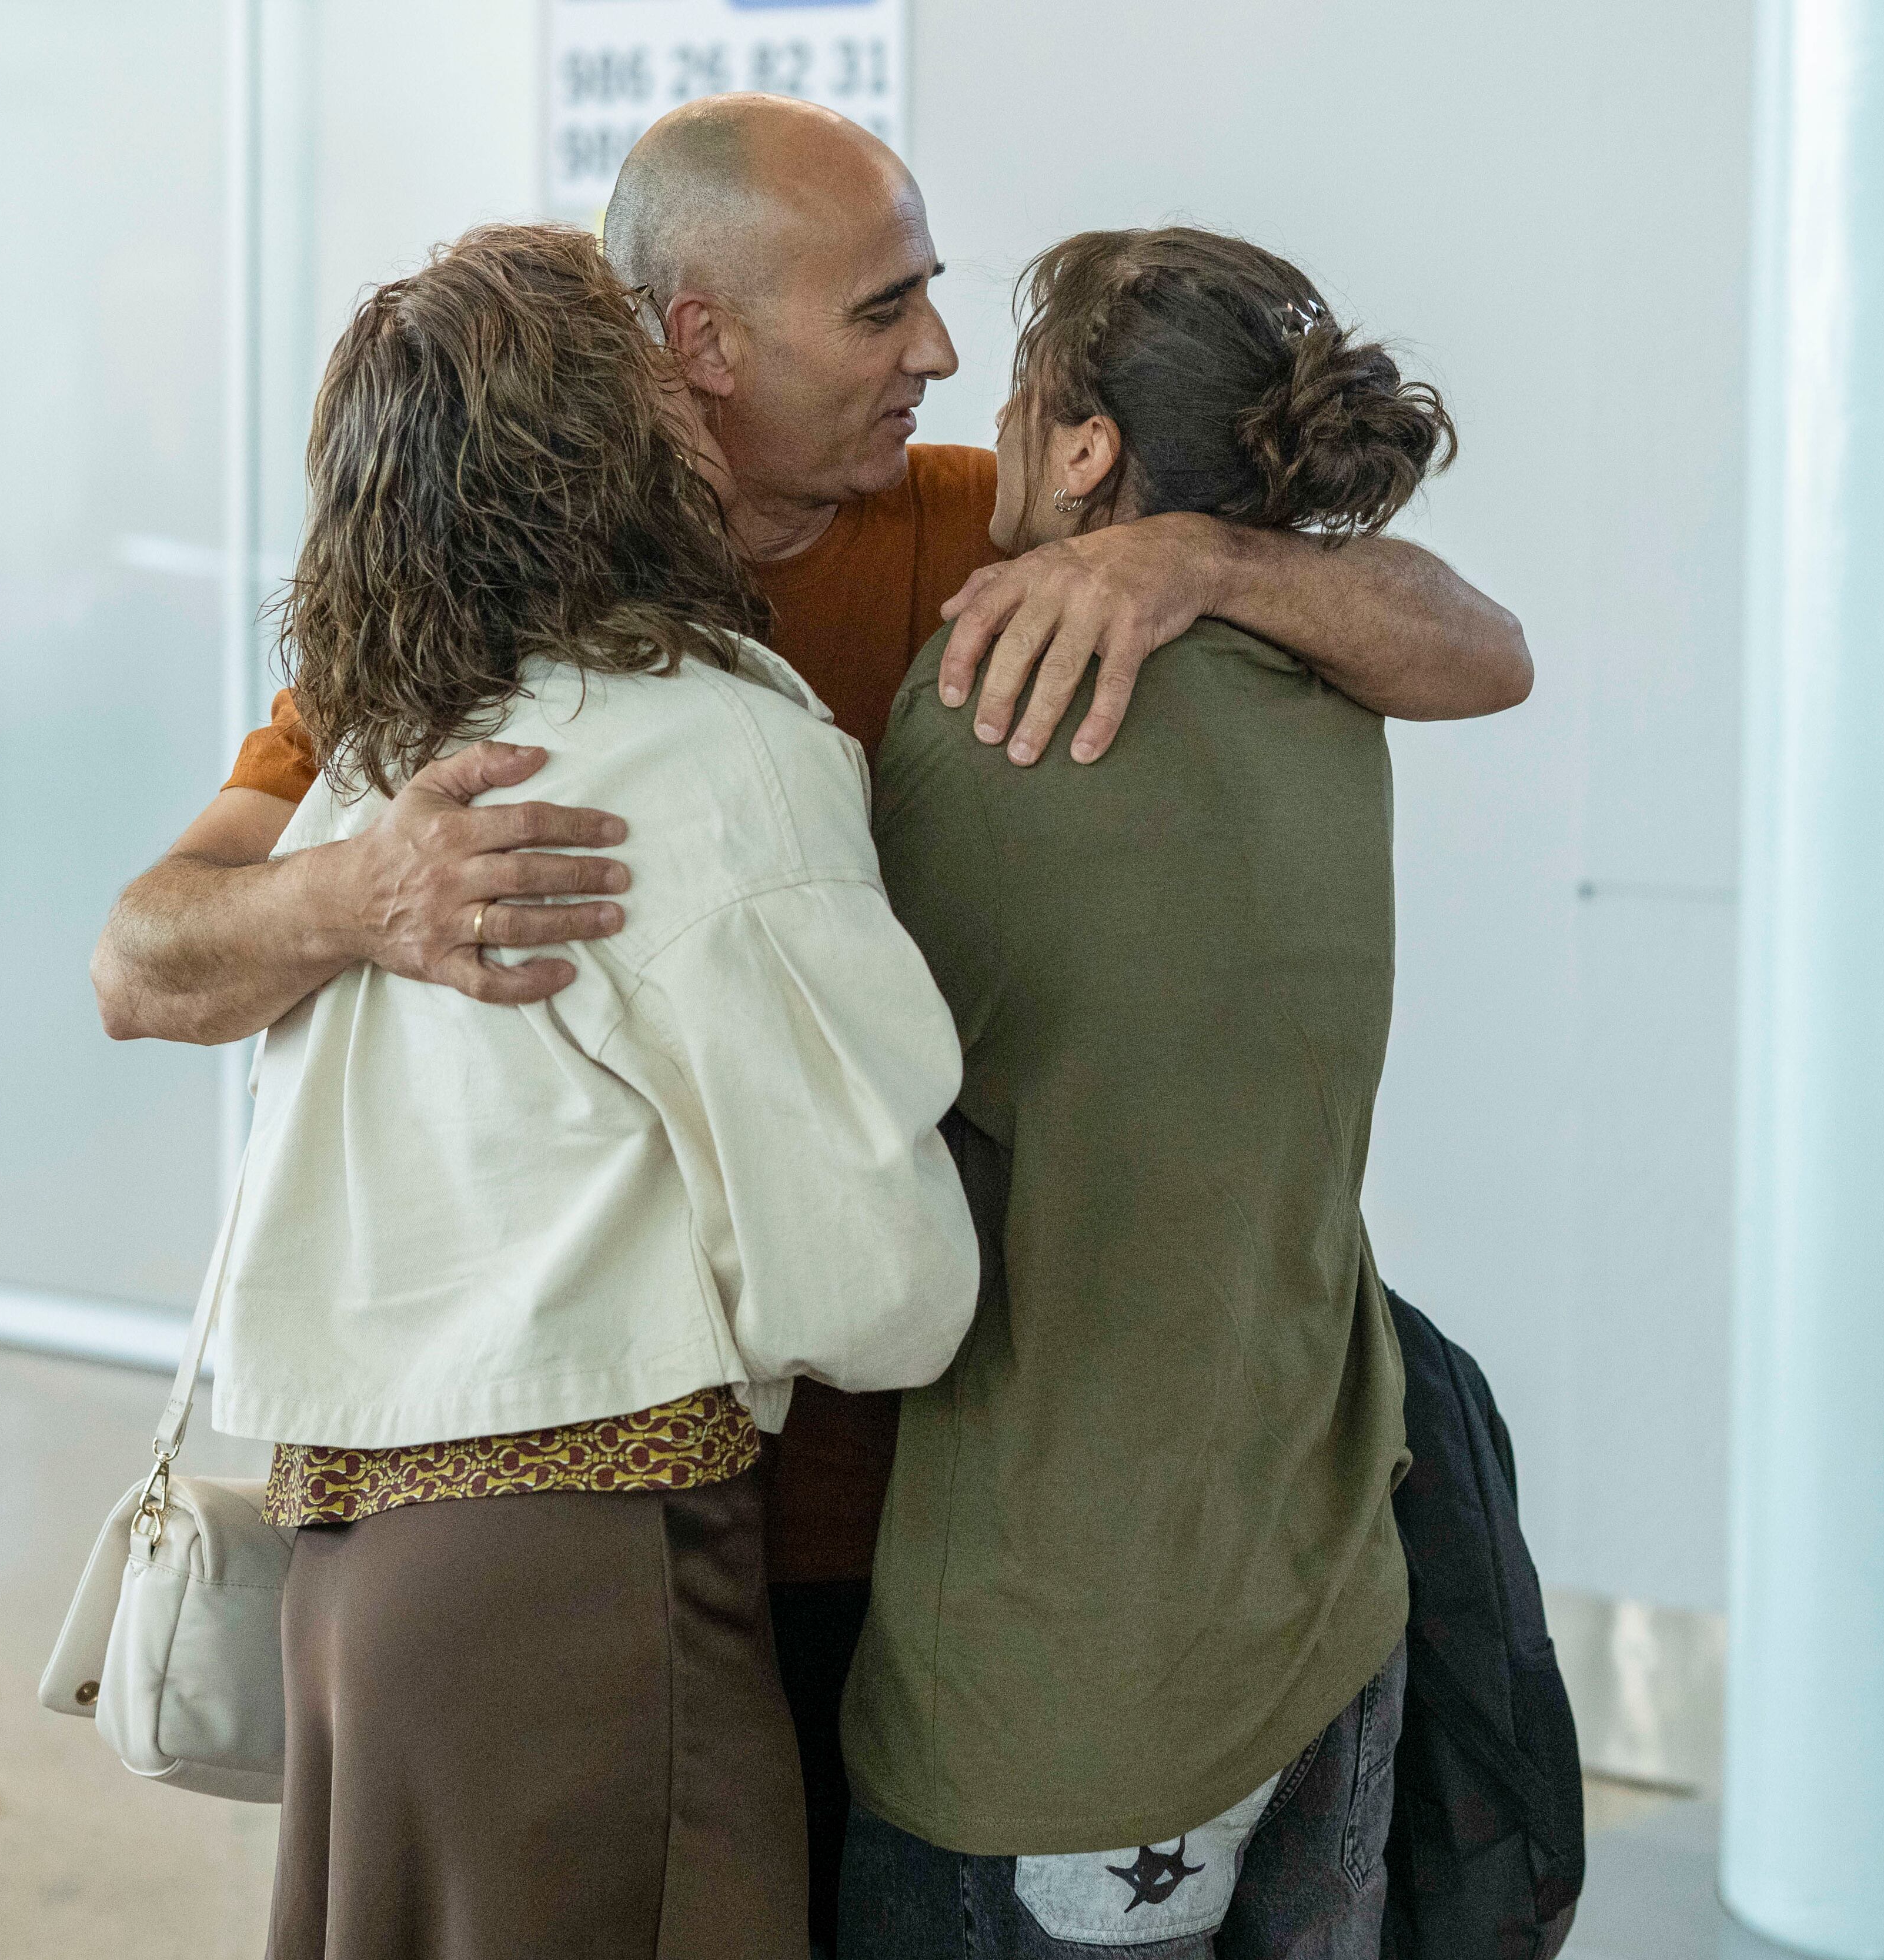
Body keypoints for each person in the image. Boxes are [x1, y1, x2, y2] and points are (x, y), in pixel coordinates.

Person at [91, 95, 1532, 1946]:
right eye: (882, 310)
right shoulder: (463, 668)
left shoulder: (977, 534)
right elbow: (145, 963)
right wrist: (361, 895)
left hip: (913, 1530)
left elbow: (1478, 648)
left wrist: (1196, 557)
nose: (932, 353)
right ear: (701, 346)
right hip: (667, 1536)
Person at [202, 222, 977, 1959]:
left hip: (348, 1579)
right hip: (580, 1578)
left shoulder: (382, 766)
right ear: (621, 447)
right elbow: (872, 1282)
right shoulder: (713, 746)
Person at [840, 228, 1439, 1958]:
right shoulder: (1336, 690)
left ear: (1088, 443)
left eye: (1028, 397)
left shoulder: (986, 711)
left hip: (1061, 1658)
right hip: (1321, 1581)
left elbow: (844, 1126)